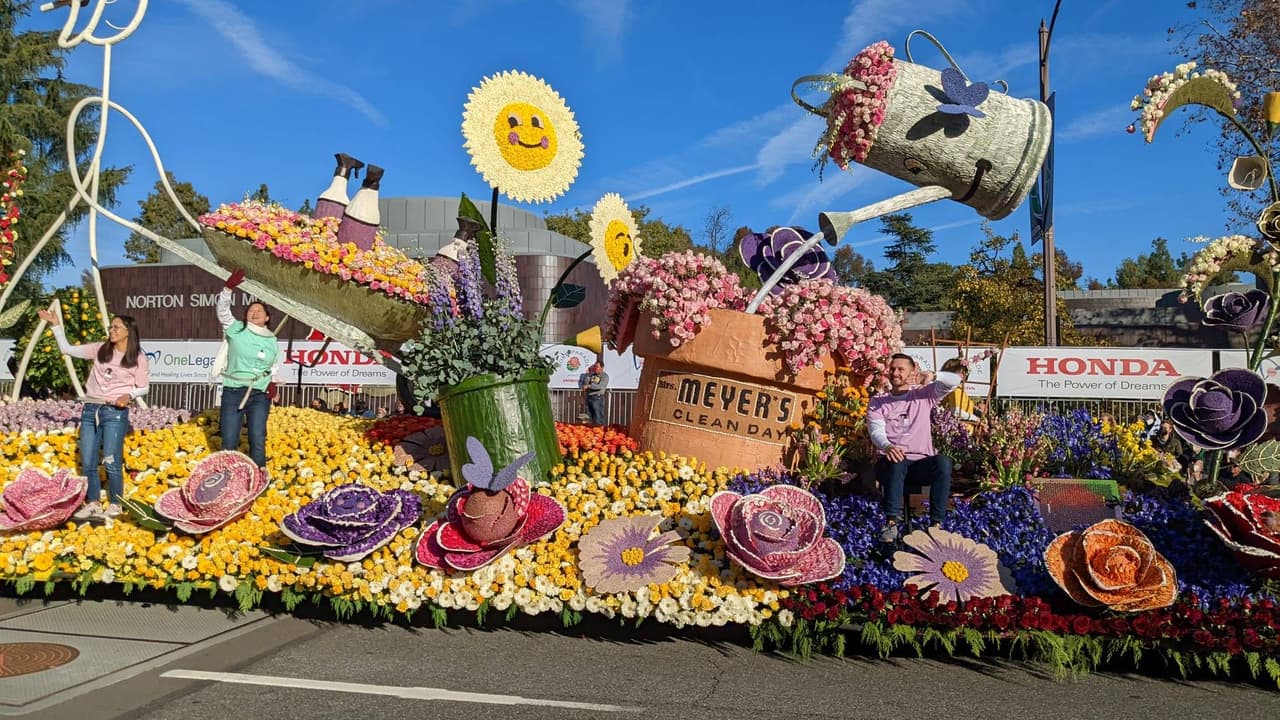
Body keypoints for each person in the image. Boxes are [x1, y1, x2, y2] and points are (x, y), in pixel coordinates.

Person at [38, 308, 150, 520]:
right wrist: (55, 325)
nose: (112, 330)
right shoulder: (99, 349)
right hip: (90, 410)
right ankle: (93, 502)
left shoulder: (138, 357)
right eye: (111, 327)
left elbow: (144, 387)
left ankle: (116, 503)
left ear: (128, 331)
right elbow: (67, 349)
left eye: (116, 327)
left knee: (111, 460)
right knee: (88, 460)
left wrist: (130, 394)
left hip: (115, 413)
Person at [866, 353, 962, 543]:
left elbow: (955, 380)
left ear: (912, 371)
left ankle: (936, 524)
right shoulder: (878, 401)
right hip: (891, 464)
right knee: (897, 459)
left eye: (901, 369)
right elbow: (876, 431)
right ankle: (891, 522)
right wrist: (887, 446)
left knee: (943, 462)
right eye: (892, 368)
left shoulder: (923, 395)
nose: (895, 373)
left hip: (919, 465)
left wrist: (934, 375)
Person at [212, 269, 278, 471]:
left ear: (267, 317)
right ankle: (227, 478)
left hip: (259, 394)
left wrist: (273, 383)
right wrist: (228, 289)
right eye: (251, 309)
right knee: (229, 439)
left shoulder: (272, 339)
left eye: (260, 311)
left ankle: (259, 478)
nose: (255, 312)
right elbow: (223, 311)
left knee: (257, 438)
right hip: (234, 392)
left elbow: (273, 364)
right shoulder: (237, 328)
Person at [939, 357, 981, 424]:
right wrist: (975, 418)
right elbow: (956, 411)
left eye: (965, 372)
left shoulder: (952, 389)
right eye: (961, 372)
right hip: (963, 429)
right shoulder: (956, 390)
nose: (964, 375)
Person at [580, 360, 609, 425]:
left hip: (597, 398)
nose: (595, 368)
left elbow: (600, 386)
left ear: (602, 367)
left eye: (597, 367)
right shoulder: (591, 375)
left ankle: (599, 431)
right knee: (589, 417)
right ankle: (591, 431)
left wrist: (589, 386)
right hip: (589, 397)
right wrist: (588, 375)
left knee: (598, 417)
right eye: (595, 366)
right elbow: (585, 384)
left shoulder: (604, 376)